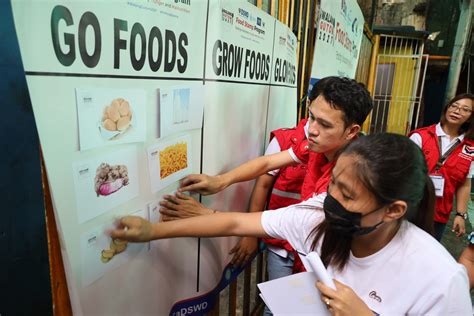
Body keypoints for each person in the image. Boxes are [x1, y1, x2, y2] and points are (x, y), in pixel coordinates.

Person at [110, 133, 472, 315]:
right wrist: (152, 231)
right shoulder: (317, 217)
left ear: (393, 210)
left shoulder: (438, 279)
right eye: (333, 184)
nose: (329, 201)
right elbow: (237, 222)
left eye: (347, 195)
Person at [409, 93, 474, 241]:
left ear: (470, 117)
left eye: (465, 109)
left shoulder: (470, 149)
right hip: (411, 207)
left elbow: (464, 183)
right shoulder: (420, 137)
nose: (457, 111)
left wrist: (460, 214)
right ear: (447, 109)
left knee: (428, 254)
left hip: (439, 213)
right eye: (454, 106)